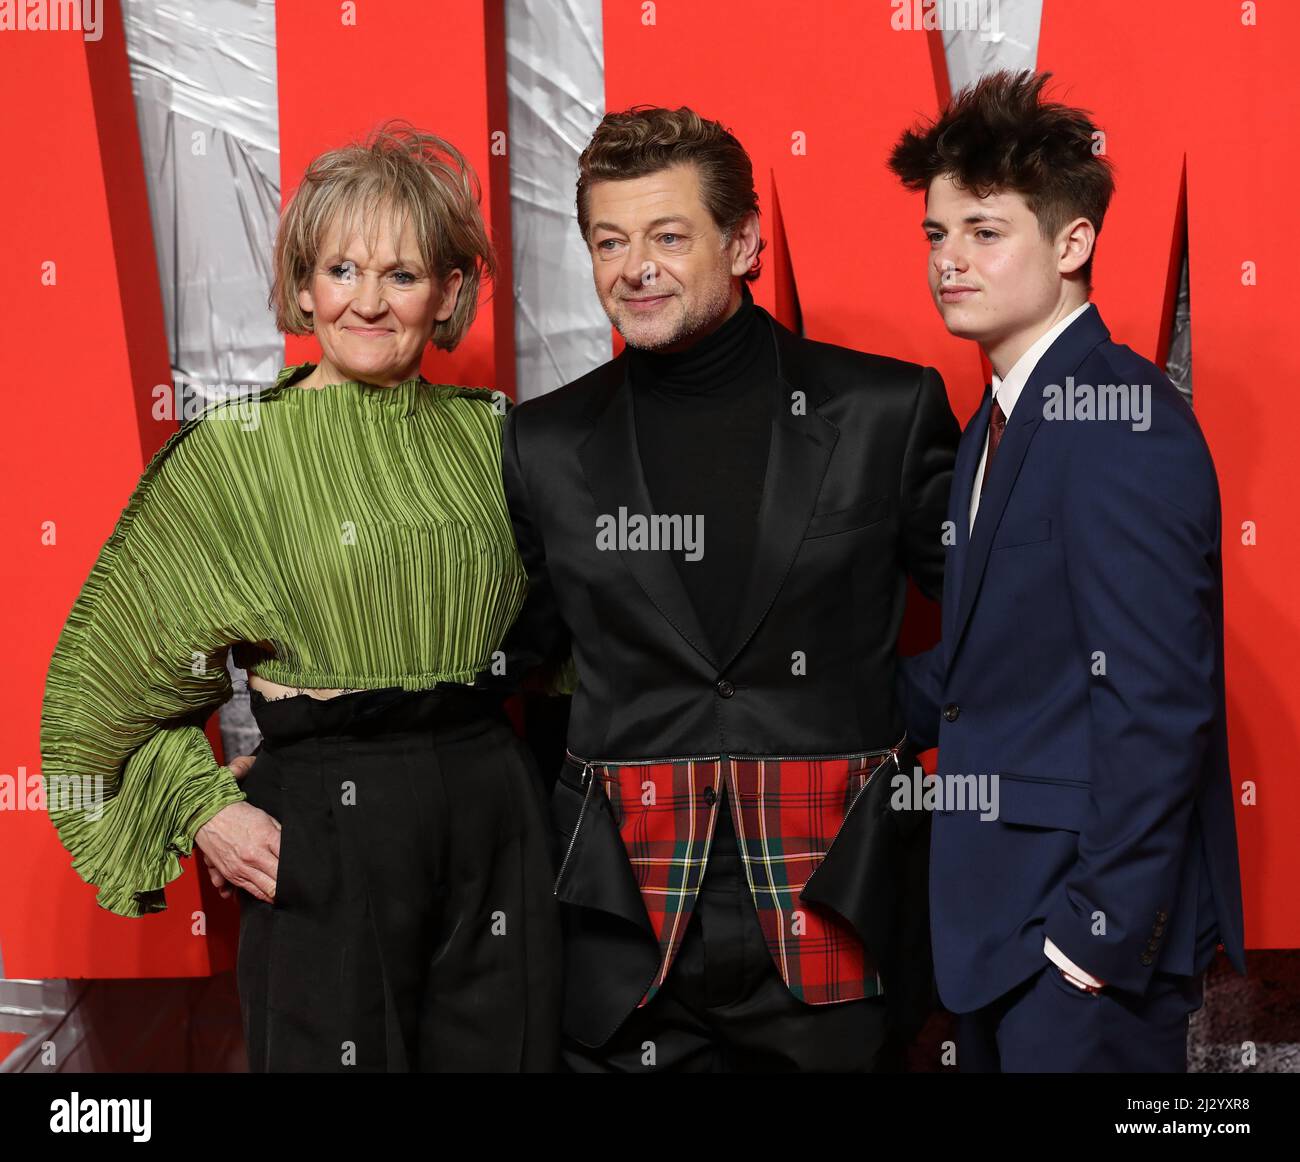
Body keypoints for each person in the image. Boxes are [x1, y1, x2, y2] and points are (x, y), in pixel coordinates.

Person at [40, 121, 561, 1073]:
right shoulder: (237, 453)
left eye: (402, 275)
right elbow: (96, 698)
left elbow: (585, 642)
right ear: (304, 285)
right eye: (342, 270)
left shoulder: (500, 437)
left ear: (447, 291)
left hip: (496, 813)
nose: (368, 301)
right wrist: (204, 809)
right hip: (327, 823)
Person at [486, 105, 960, 1071]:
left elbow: (997, 616)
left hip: (835, 914)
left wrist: (889, 724)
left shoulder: (882, 411)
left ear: (744, 242)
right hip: (623, 935)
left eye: (668, 236)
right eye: (609, 242)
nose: (635, 268)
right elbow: (518, 655)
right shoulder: (543, 442)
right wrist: (339, 738)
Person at [888, 70, 1246, 1071]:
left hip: (1076, 950)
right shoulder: (994, 424)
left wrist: (1092, 937)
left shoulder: (1118, 417)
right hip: (996, 933)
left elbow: (1160, 700)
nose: (949, 260)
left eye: (985, 231)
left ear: (1073, 243)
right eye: (935, 234)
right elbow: (990, 667)